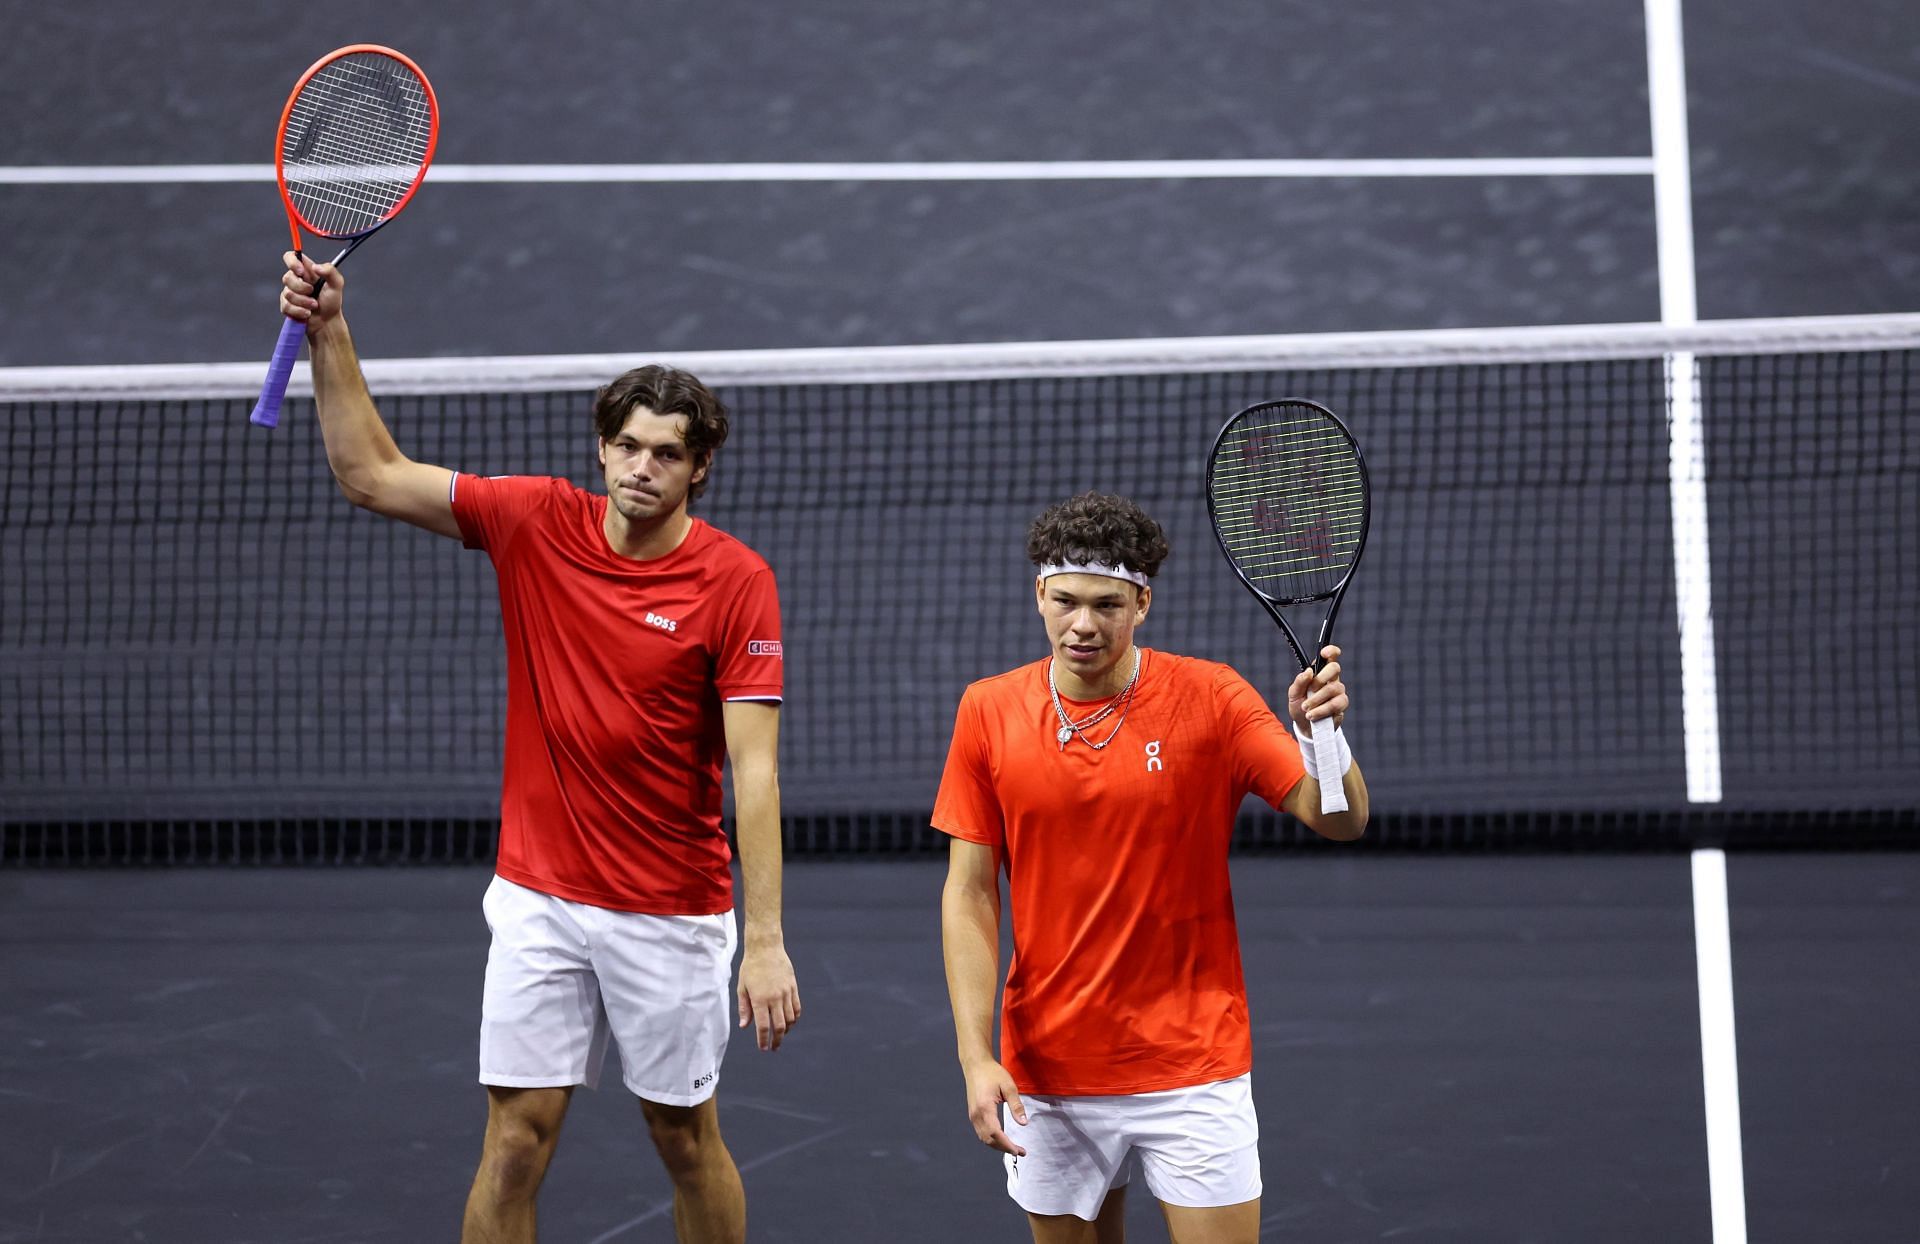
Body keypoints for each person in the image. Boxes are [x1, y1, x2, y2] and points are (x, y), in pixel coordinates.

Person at [276, 253, 801, 1244]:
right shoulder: (533, 522)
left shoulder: (737, 583)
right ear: (602, 451)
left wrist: (764, 940)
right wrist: (329, 331)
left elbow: (757, 770)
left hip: (672, 907)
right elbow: (370, 475)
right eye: (629, 446)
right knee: (515, 1139)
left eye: (668, 454)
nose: (644, 467)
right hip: (541, 894)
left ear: (699, 468)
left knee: (684, 1139)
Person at [936, 491, 1369, 1244]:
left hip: (1194, 1063)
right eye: (1066, 600)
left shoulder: (1214, 698)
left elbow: (1338, 819)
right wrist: (977, 1058)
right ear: (1039, 592)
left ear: (1143, 603)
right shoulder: (987, 710)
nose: (1083, 625)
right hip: (1050, 1069)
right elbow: (970, 894)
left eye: (1107, 605)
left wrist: (1321, 736)